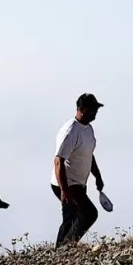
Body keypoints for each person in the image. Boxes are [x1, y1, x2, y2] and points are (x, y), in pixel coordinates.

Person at [52, 93, 106, 247]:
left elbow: (88, 154)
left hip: (79, 183)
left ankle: (64, 248)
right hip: (66, 182)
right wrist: (64, 190)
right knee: (87, 213)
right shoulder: (70, 131)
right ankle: (64, 248)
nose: (95, 112)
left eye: (96, 109)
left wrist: (97, 176)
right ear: (81, 109)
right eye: (92, 109)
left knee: (74, 216)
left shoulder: (88, 130)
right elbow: (58, 161)